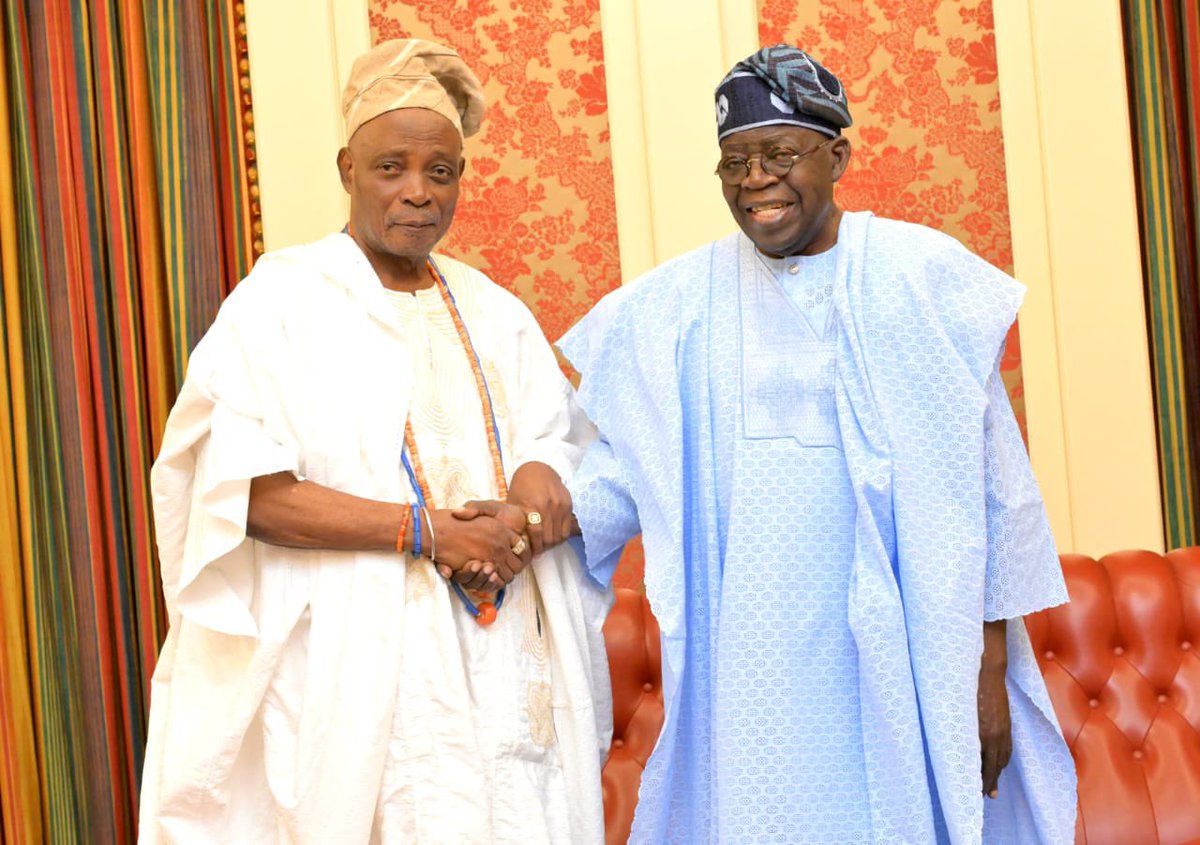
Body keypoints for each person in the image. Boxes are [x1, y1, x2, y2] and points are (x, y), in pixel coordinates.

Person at [559, 45, 1078, 843]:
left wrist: (985, 667)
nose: (754, 181)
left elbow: (995, 487)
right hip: (756, 670)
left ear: (836, 155)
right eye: (734, 163)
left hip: (912, 651)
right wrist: (515, 525)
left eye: (778, 154)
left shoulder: (920, 275)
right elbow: (621, 470)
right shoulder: (680, 307)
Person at [138, 38, 610, 844]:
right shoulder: (280, 303)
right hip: (358, 670)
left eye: (441, 171)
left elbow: (564, 445)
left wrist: (529, 505)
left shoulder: (496, 310)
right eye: (391, 167)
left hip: (500, 669)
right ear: (346, 169)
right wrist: (426, 531)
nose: (418, 193)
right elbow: (240, 492)